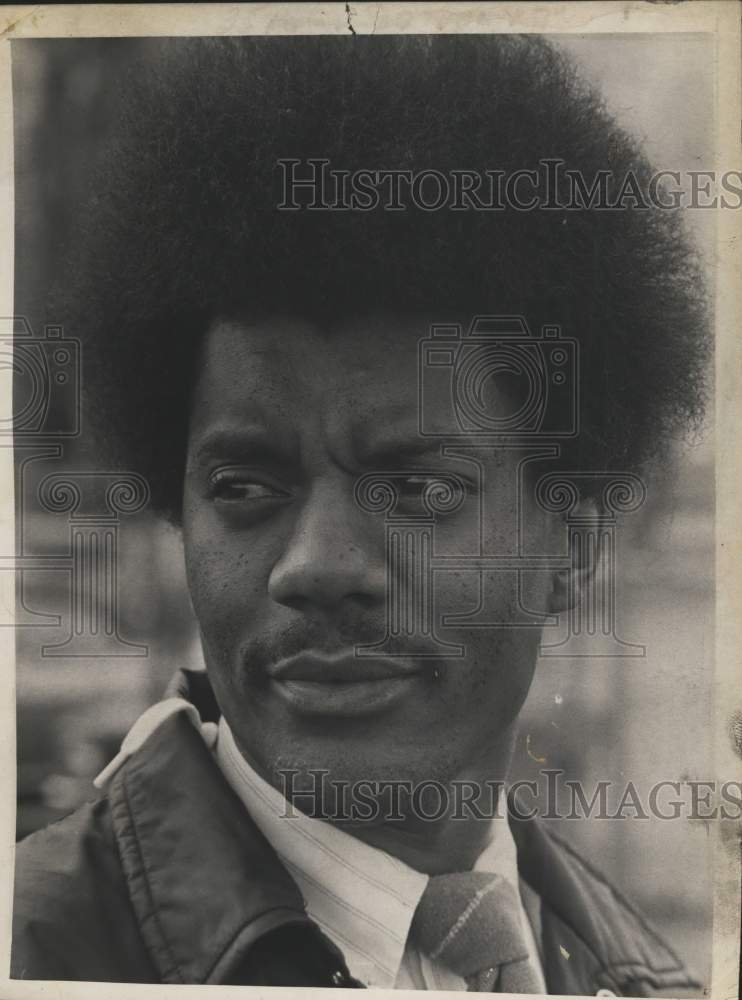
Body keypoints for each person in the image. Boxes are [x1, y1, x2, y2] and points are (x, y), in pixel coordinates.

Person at [11, 34, 708, 993]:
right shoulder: (38, 954)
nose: (316, 565)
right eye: (245, 488)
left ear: (573, 544)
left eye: (419, 488)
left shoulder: (644, 976)